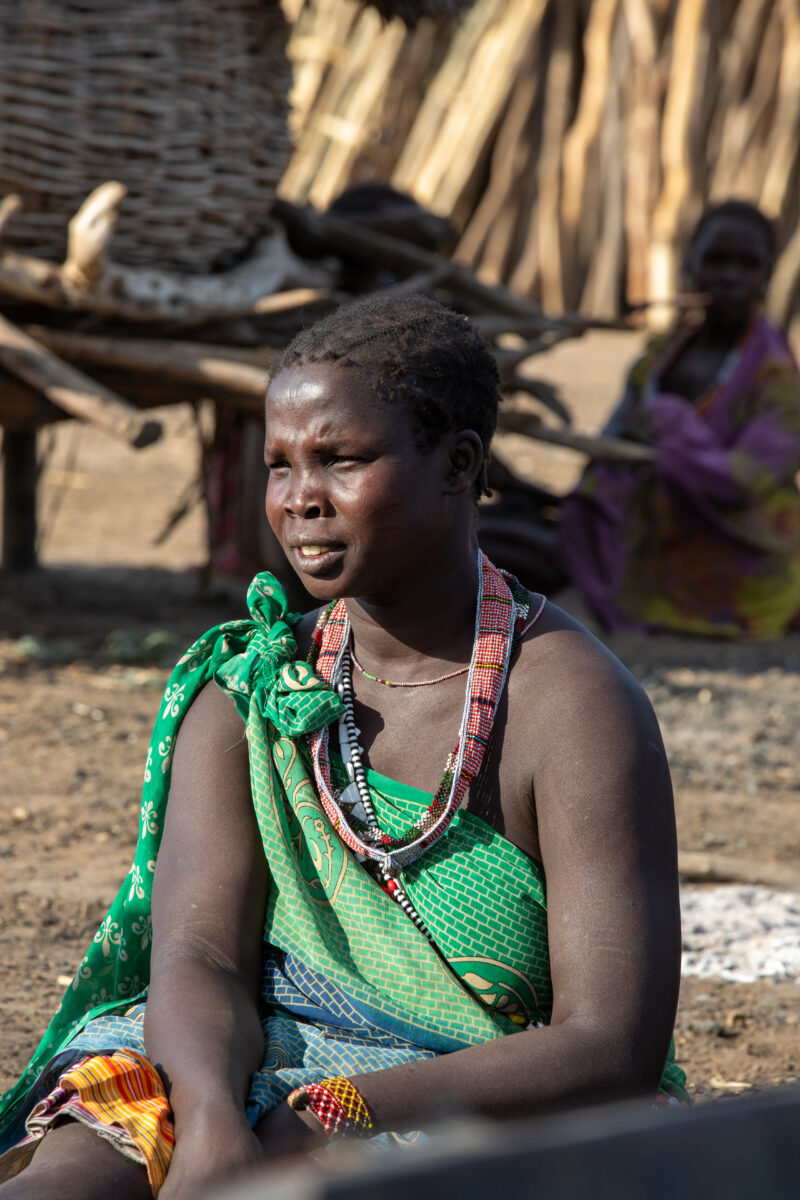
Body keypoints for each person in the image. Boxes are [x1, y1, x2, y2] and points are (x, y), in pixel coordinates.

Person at [0, 292, 686, 1200]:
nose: (300, 501)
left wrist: (338, 1112)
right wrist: (210, 1121)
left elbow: (613, 1047)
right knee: (71, 1182)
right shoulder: (253, 686)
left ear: (458, 464)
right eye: (281, 466)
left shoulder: (571, 707)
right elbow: (202, 956)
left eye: (341, 460)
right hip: (238, 1060)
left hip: (477, 1103)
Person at [560, 200, 800, 638]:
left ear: (766, 276)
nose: (730, 276)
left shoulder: (776, 376)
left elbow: (748, 480)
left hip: (742, 548)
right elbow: (610, 438)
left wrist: (669, 432)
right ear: (690, 266)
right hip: (660, 539)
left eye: (746, 265)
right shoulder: (659, 357)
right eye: (716, 261)